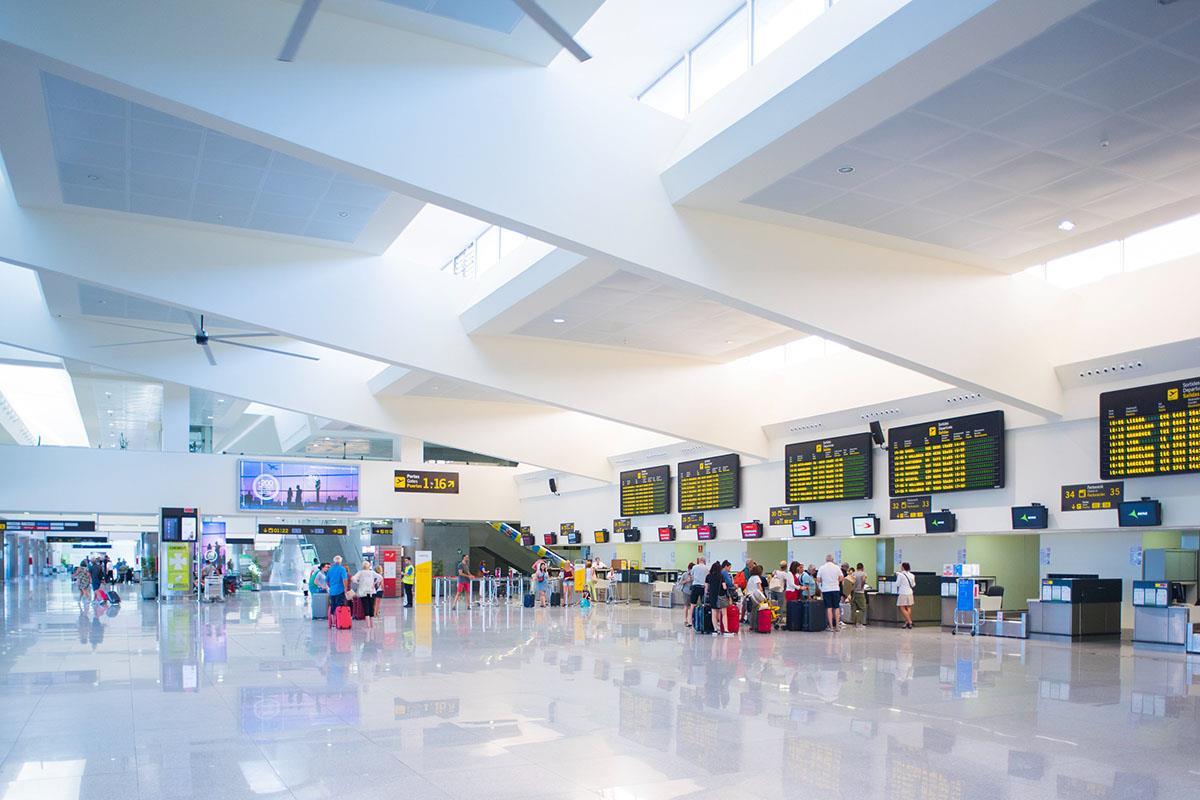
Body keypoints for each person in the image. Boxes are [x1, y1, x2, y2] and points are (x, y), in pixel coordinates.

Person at [816, 555, 844, 632]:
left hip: (826, 590)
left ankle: (831, 626)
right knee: (836, 607)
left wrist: (824, 582)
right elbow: (842, 577)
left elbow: (818, 579)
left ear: (826, 560)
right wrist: (836, 581)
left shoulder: (822, 568)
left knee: (829, 608)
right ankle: (837, 626)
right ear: (832, 560)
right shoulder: (836, 567)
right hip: (835, 589)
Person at [705, 562, 733, 637]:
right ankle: (726, 630)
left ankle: (715, 630)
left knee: (714, 614)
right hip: (721, 597)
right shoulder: (721, 576)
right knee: (724, 614)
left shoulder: (708, 576)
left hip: (712, 597)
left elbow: (706, 588)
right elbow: (724, 587)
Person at [353, 560, 382, 628]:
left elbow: (353, 579)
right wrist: (374, 583)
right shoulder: (372, 572)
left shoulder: (360, 572)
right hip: (372, 592)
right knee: (371, 607)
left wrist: (358, 582)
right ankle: (372, 625)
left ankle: (368, 625)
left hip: (363, 592)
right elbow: (380, 577)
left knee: (366, 608)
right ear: (369, 566)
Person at [685, 557, 707, 628]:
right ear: (704, 561)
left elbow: (691, 575)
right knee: (703, 604)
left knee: (692, 605)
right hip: (703, 587)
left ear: (699, 561)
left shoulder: (695, 567)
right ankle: (703, 621)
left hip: (695, 587)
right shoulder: (707, 568)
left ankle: (690, 622)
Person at [896, 561, 916, 629]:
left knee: (902, 607)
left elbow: (897, 584)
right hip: (910, 592)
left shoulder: (900, 575)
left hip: (903, 593)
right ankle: (907, 623)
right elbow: (913, 585)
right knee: (908, 607)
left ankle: (909, 621)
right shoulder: (912, 575)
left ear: (903, 567)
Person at [851, 563, 870, 627]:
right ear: (862, 568)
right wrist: (862, 586)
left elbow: (851, 582)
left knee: (854, 608)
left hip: (854, 593)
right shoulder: (863, 573)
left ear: (856, 567)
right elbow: (864, 580)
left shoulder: (853, 574)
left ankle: (854, 622)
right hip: (860, 593)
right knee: (862, 608)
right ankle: (859, 623)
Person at [680, 562, 695, 626]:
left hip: (693, 592)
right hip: (686, 591)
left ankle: (691, 619)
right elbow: (680, 582)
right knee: (686, 606)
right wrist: (687, 580)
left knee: (692, 606)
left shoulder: (695, 574)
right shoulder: (685, 574)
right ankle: (685, 619)